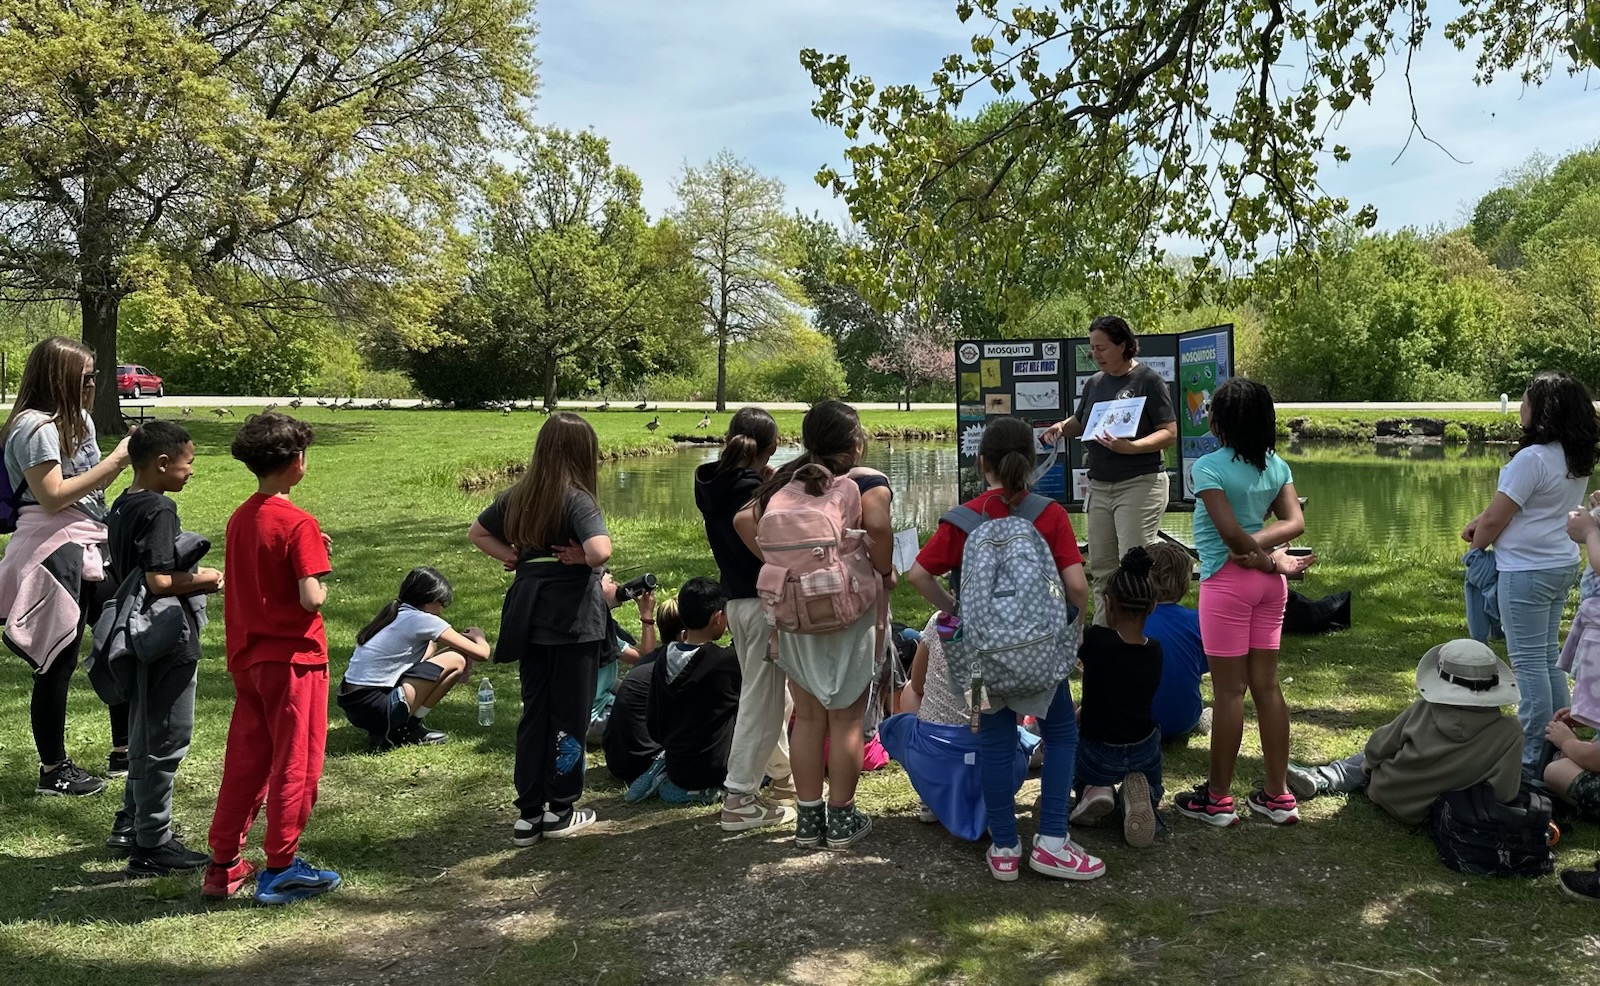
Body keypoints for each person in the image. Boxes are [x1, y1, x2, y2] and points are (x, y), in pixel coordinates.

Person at [906, 415, 1102, 882]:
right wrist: (1064, 628)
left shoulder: (962, 518)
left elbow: (916, 575)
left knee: (992, 738)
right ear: (1032, 463)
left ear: (981, 463)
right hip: (1039, 656)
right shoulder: (1048, 514)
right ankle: (1052, 840)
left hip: (978, 663)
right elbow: (1077, 587)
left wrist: (955, 610)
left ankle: (1005, 848)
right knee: (1060, 733)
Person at [736, 400, 893, 851]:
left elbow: (744, 519)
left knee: (807, 717)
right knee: (845, 718)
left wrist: (783, 568)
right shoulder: (867, 482)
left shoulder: (786, 480)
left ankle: (807, 822)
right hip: (848, 613)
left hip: (793, 614)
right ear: (856, 441)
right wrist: (881, 570)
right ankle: (841, 820)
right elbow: (879, 527)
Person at [204, 413, 341, 905]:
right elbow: (311, 598)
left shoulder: (241, 516)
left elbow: (263, 566)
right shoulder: (299, 520)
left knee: (246, 761)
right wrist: (318, 576)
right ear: (296, 463)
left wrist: (307, 556)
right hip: (294, 659)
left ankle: (224, 864)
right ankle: (281, 866)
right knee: (295, 763)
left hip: (248, 659)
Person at [1173, 378, 1314, 828]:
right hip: (1269, 586)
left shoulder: (1208, 467)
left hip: (1226, 586)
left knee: (1229, 692)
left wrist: (1250, 548)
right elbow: (1295, 522)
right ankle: (1278, 795)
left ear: (1219, 422)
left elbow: (1230, 537)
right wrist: (1271, 561)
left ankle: (1217, 800)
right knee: (1267, 688)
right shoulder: (1276, 466)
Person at [469, 412, 612, 847]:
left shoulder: (519, 495)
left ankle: (528, 813)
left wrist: (512, 556)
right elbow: (600, 550)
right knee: (569, 715)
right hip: (571, 618)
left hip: (528, 613)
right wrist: (582, 559)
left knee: (536, 712)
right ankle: (561, 809)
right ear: (583, 453)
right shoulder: (578, 499)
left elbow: (477, 533)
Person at [0, 337, 133, 797]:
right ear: (57, 377)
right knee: (58, 660)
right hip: (53, 549)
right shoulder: (35, 428)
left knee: (121, 640)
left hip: (93, 542)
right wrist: (119, 460)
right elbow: (53, 495)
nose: (93, 384)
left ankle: (125, 749)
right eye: (85, 377)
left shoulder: (82, 421)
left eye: (94, 376)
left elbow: (90, 495)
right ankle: (53, 770)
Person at [102, 421, 221, 875]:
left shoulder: (123, 503)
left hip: (131, 633)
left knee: (142, 732)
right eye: (189, 463)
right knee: (166, 740)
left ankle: (130, 823)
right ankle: (153, 842)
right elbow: (159, 580)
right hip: (164, 636)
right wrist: (207, 578)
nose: (191, 471)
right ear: (163, 463)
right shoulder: (159, 507)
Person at [1463, 371, 1597, 774]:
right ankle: (1561, 738)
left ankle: (1532, 757)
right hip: (1560, 563)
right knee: (1547, 659)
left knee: (1528, 664)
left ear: (1542, 412)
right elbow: (1525, 511)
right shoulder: (1572, 456)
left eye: (1526, 402)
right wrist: (1482, 522)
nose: (1521, 408)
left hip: (1526, 571)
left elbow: (1497, 518)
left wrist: (1476, 547)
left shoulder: (1530, 458)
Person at [1287, 640, 1523, 826]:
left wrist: (1369, 765)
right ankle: (1331, 776)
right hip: (1443, 809)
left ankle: (1329, 776)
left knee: (1369, 758)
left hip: (1387, 791)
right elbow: (1503, 790)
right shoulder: (1509, 733)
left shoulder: (1423, 711)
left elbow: (1377, 748)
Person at [696, 407, 798, 832]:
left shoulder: (711, 483)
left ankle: (782, 777)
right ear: (771, 447)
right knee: (762, 698)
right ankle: (738, 796)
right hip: (763, 601)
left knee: (771, 692)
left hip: (736, 602)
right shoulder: (757, 492)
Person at [1039, 316, 1178, 624]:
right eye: (1092, 348)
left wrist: (1134, 446)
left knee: (1135, 567)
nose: (1095, 354)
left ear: (1124, 345)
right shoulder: (1094, 383)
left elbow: (1169, 432)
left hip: (1140, 483)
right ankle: (1105, 639)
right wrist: (1061, 428)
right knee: (1102, 568)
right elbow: (1081, 422)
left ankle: (1139, 638)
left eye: (1101, 347)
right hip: (1100, 486)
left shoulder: (1148, 380)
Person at [879, 614, 1041, 842]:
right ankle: (997, 810)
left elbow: (917, 684)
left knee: (909, 695)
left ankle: (931, 797)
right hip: (994, 755)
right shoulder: (1014, 626)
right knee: (1010, 732)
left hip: (933, 756)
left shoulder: (940, 620)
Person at [337, 567, 491, 751]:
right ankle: (408, 729)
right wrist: (479, 636)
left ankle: (394, 729)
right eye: (440, 603)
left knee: (443, 654)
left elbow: (420, 663)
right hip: (379, 707)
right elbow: (481, 654)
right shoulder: (422, 620)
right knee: (456, 658)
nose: (441, 610)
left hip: (358, 706)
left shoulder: (394, 614)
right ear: (429, 600)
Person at [1071, 547, 1165, 848]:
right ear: (1152, 607)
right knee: (1152, 741)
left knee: (1070, 745)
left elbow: (1070, 638)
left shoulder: (1096, 641)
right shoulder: (1155, 650)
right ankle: (1141, 795)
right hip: (1142, 749)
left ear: (1109, 605)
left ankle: (1092, 790)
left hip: (1098, 753)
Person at [629, 578, 743, 804]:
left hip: (676, 763)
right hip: (716, 768)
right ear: (717, 617)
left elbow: (653, 721)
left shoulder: (662, 659)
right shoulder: (726, 662)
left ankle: (663, 770)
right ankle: (704, 791)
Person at [603, 600, 681, 786]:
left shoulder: (652, 660)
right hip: (643, 764)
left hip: (617, 760)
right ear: (684, 633)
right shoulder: (672, 667)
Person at [1143, 539, 1210, 741]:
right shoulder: (1197, 621)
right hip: (1183, 720)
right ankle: (1202, 718)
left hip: (1136, 724)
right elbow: (1203, 665)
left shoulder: (1130, 621)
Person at [588, 572, 656, 745]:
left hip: (583, 711)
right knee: (653, 714)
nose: (618, 585)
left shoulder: (592, 621)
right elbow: (645, 659)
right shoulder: (599, 631)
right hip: (594, 720)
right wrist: (647, 616)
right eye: (611, 581)